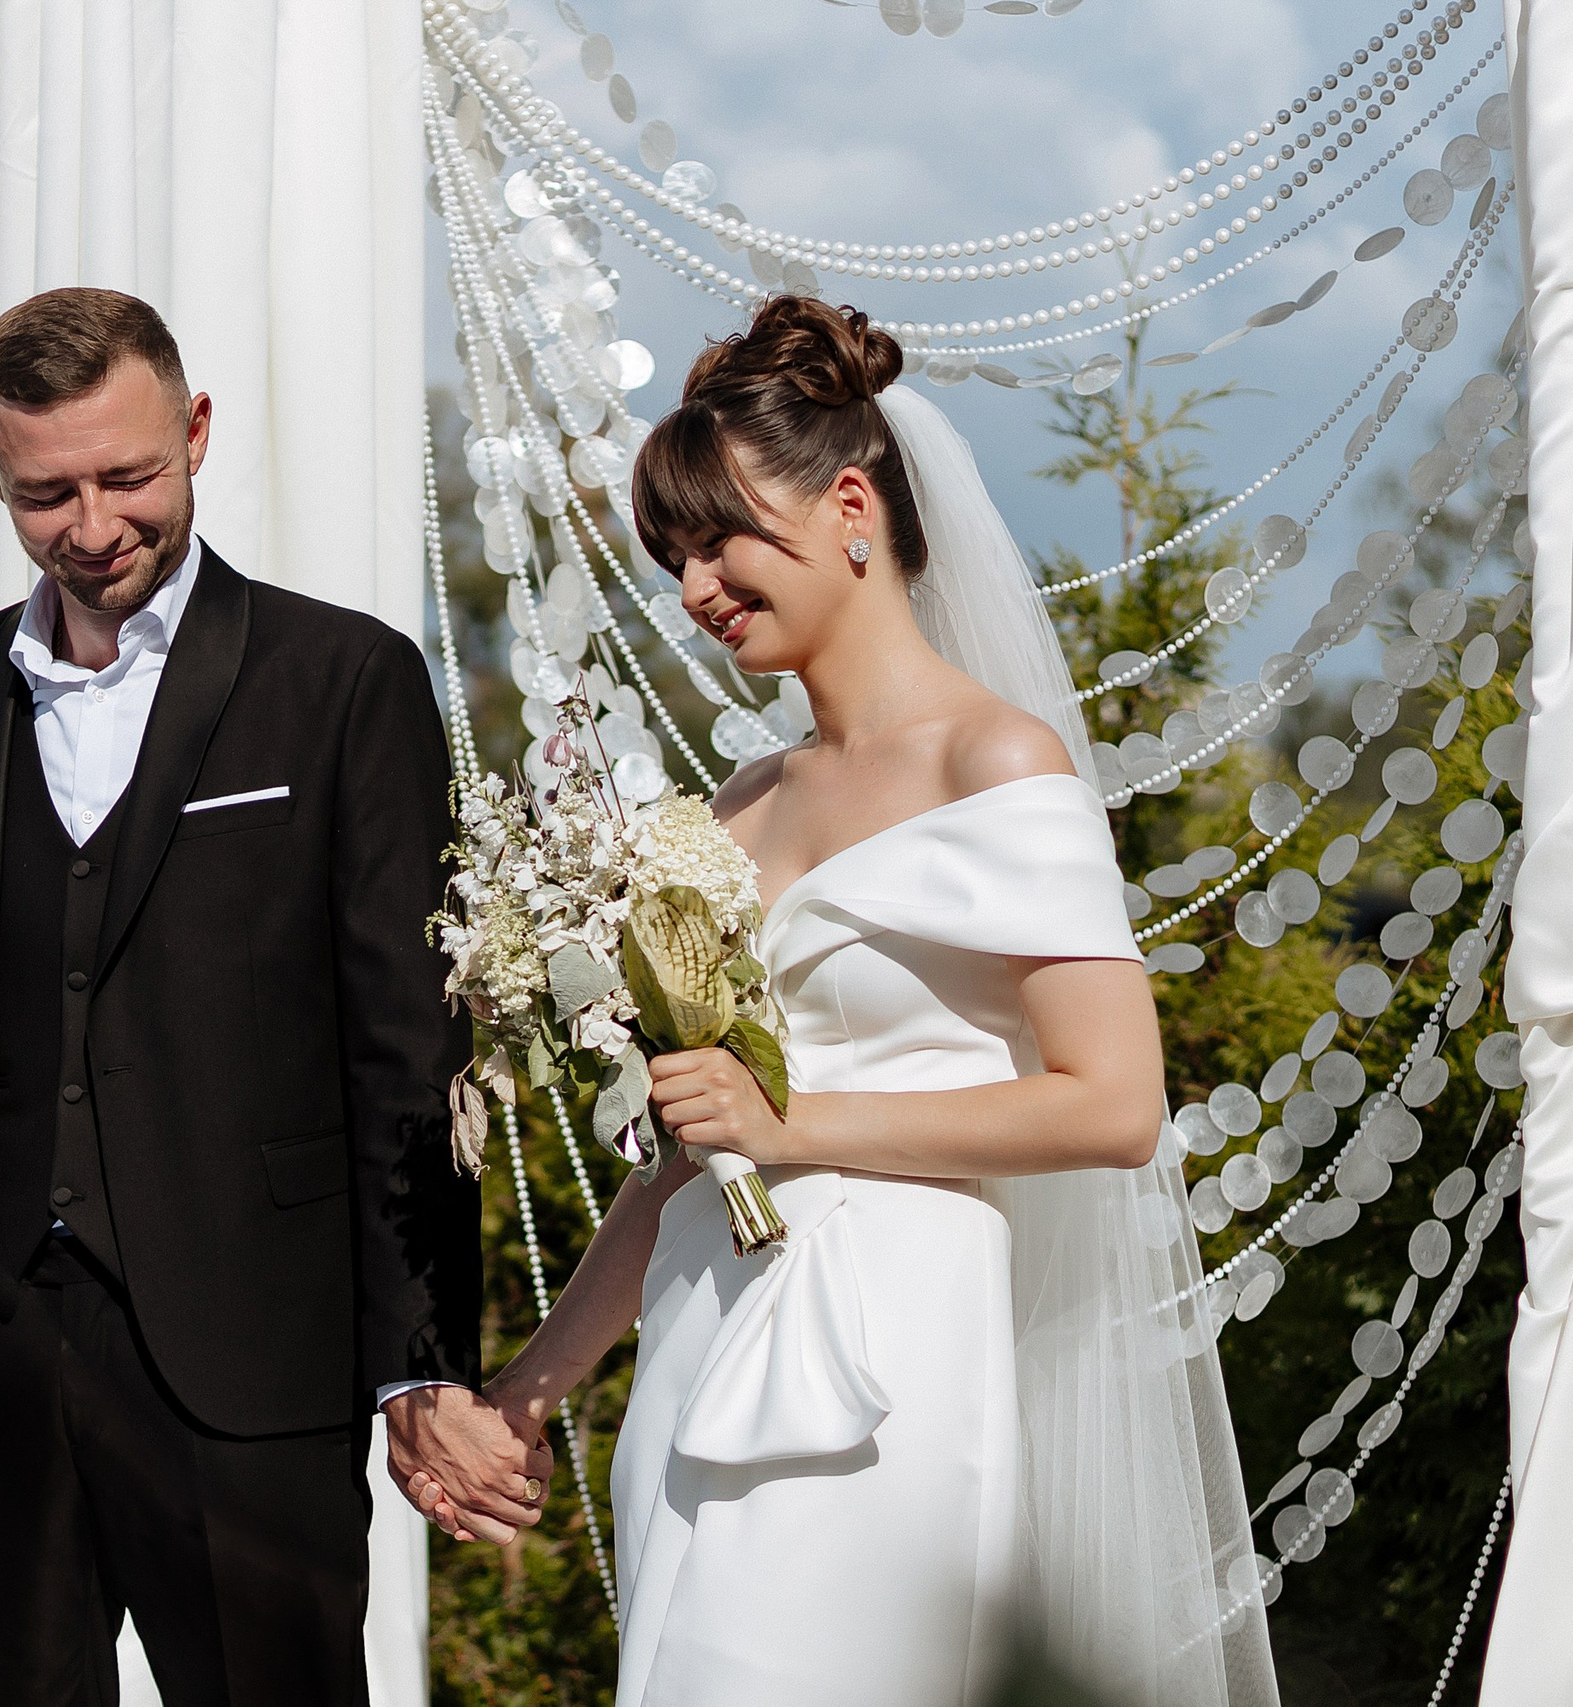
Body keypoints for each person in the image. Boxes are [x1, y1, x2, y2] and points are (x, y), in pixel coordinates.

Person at [405, 297, 1277, 1706]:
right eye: (674, 557)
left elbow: (1115, 1107)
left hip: (885, 1350)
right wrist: (529, 1390)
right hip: (700, 1333)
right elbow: (685, 1150)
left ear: (851, 507)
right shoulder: (732, 811)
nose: (695, 587)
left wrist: (792, 1123)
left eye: (719, 540)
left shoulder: (995, 763)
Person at [0, 286, 551, 1707]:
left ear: (197, 431)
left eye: (128, 475)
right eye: (46, 493)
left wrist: (418, 1368)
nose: (94, 526)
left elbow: (409, 1053)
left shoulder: (343, 682)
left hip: (254, 1368)